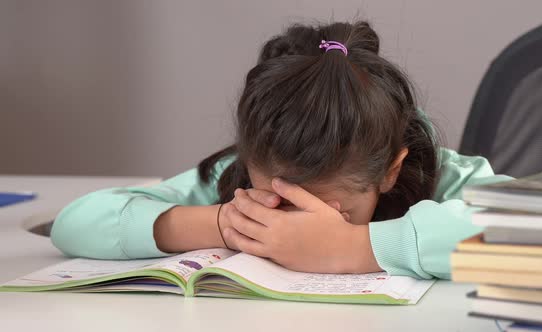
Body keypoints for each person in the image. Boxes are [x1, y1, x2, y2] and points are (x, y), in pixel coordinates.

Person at [50, 21, 510, 279]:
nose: (293, 228)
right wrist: (224, 224)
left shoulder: (443, 179)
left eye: (336, 213)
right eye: (278, 205)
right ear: (249, 164)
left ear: (390, 172)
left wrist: (353, 245)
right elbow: (75, 224)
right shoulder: (233, 180)